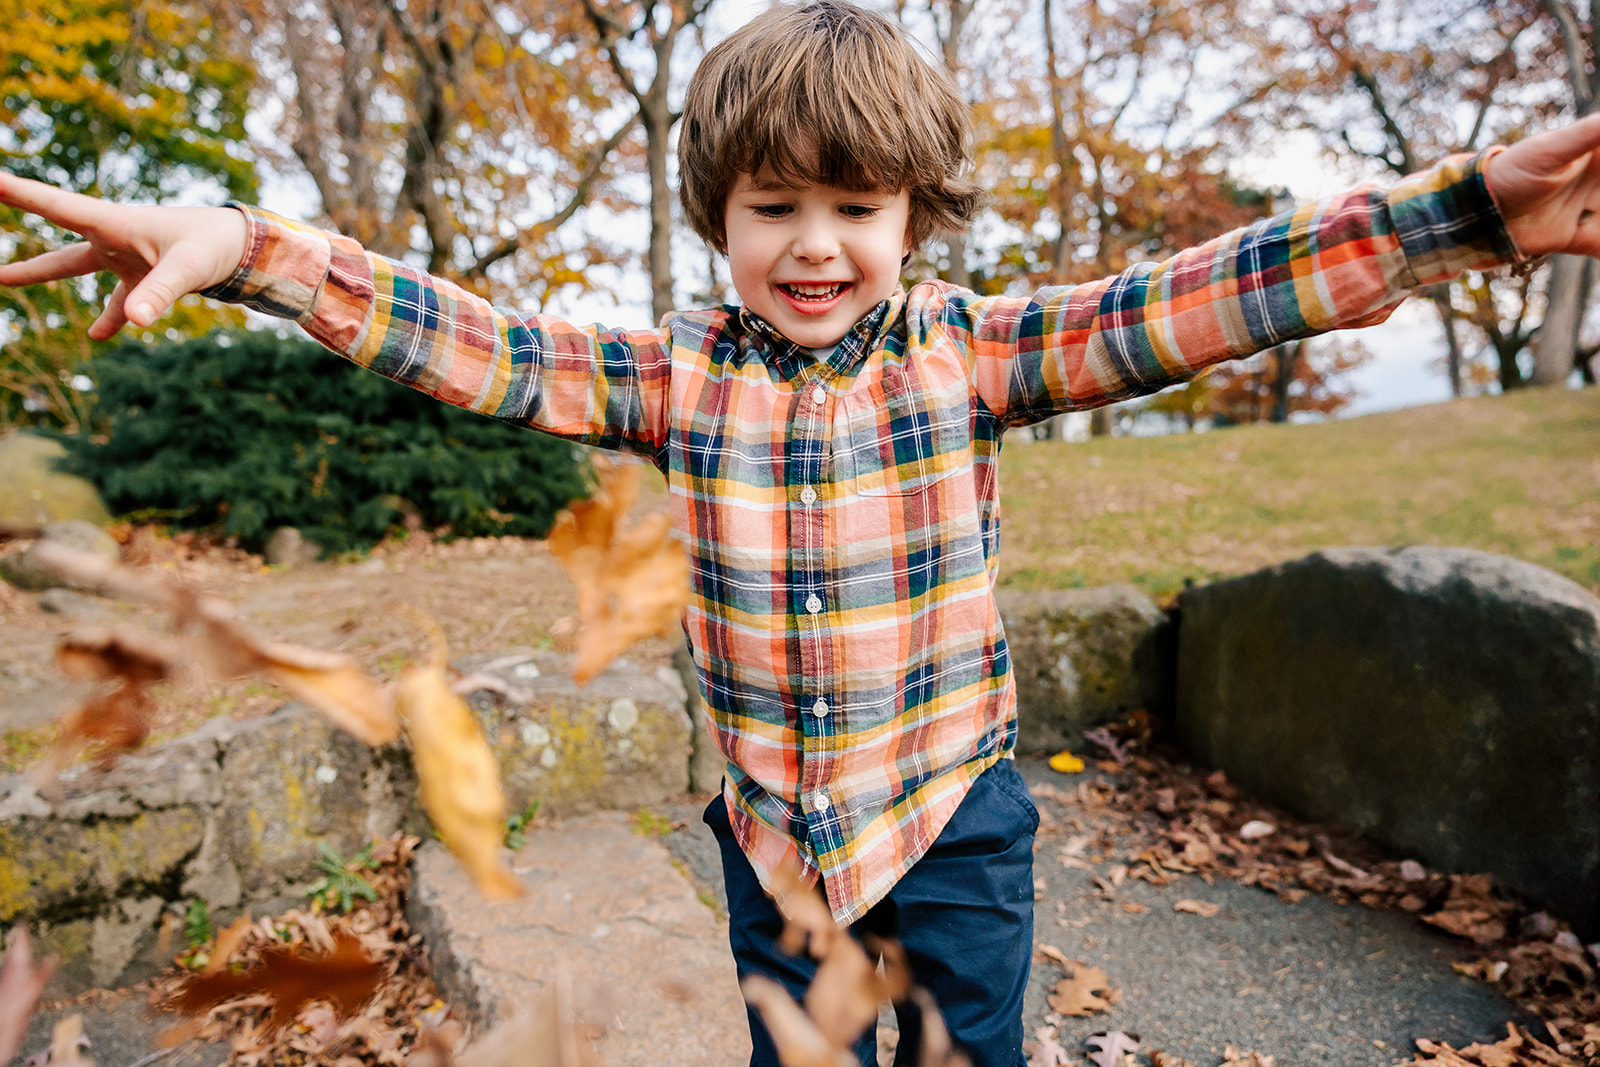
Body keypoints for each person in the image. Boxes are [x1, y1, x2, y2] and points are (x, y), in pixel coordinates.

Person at [3, 2, 1600, 1063]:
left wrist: (1454, 213)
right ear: (720, 218)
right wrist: (250, 250)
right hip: (775, 838)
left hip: (953, 808)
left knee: (972, 1051)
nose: (816, 244)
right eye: (774, 207)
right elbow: (472, 337)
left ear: (914, 219)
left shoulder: (969, 352)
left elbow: (1194, 302)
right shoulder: (676, 376)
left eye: (857, 208)